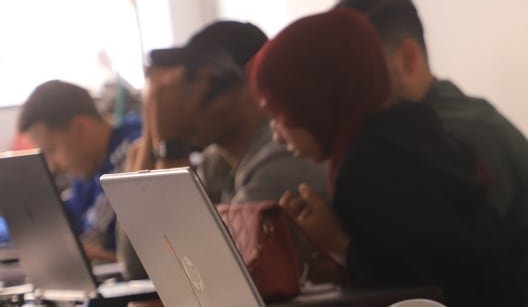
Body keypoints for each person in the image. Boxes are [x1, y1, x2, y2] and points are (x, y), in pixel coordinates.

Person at [249, 7, 521, 307]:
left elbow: (418, 289)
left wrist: (340, 244)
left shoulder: (369, 163)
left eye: (279, 114)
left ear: (317, 100)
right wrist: (339, 262)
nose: (277, 136)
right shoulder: (413, 131)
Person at [337, 0, 528, 307]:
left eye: (361, 71)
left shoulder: (463, 135)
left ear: (407, 59)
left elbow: (460, 275)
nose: (347, 89)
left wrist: (343, 246)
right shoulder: (411, 138)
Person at [118, 20, 329, 279]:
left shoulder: (283, 156)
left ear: (245, 86)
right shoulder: (216, 162)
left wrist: (170, 148)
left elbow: (194, 274)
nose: (181, 99)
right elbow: (135, 265)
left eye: (194, 81)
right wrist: (151, 135)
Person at [18, 79, 142, 262]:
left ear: (81, 127)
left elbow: (98, 241)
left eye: (52, 150)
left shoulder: (132, 152)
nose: (52, 167)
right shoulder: (85, 171)